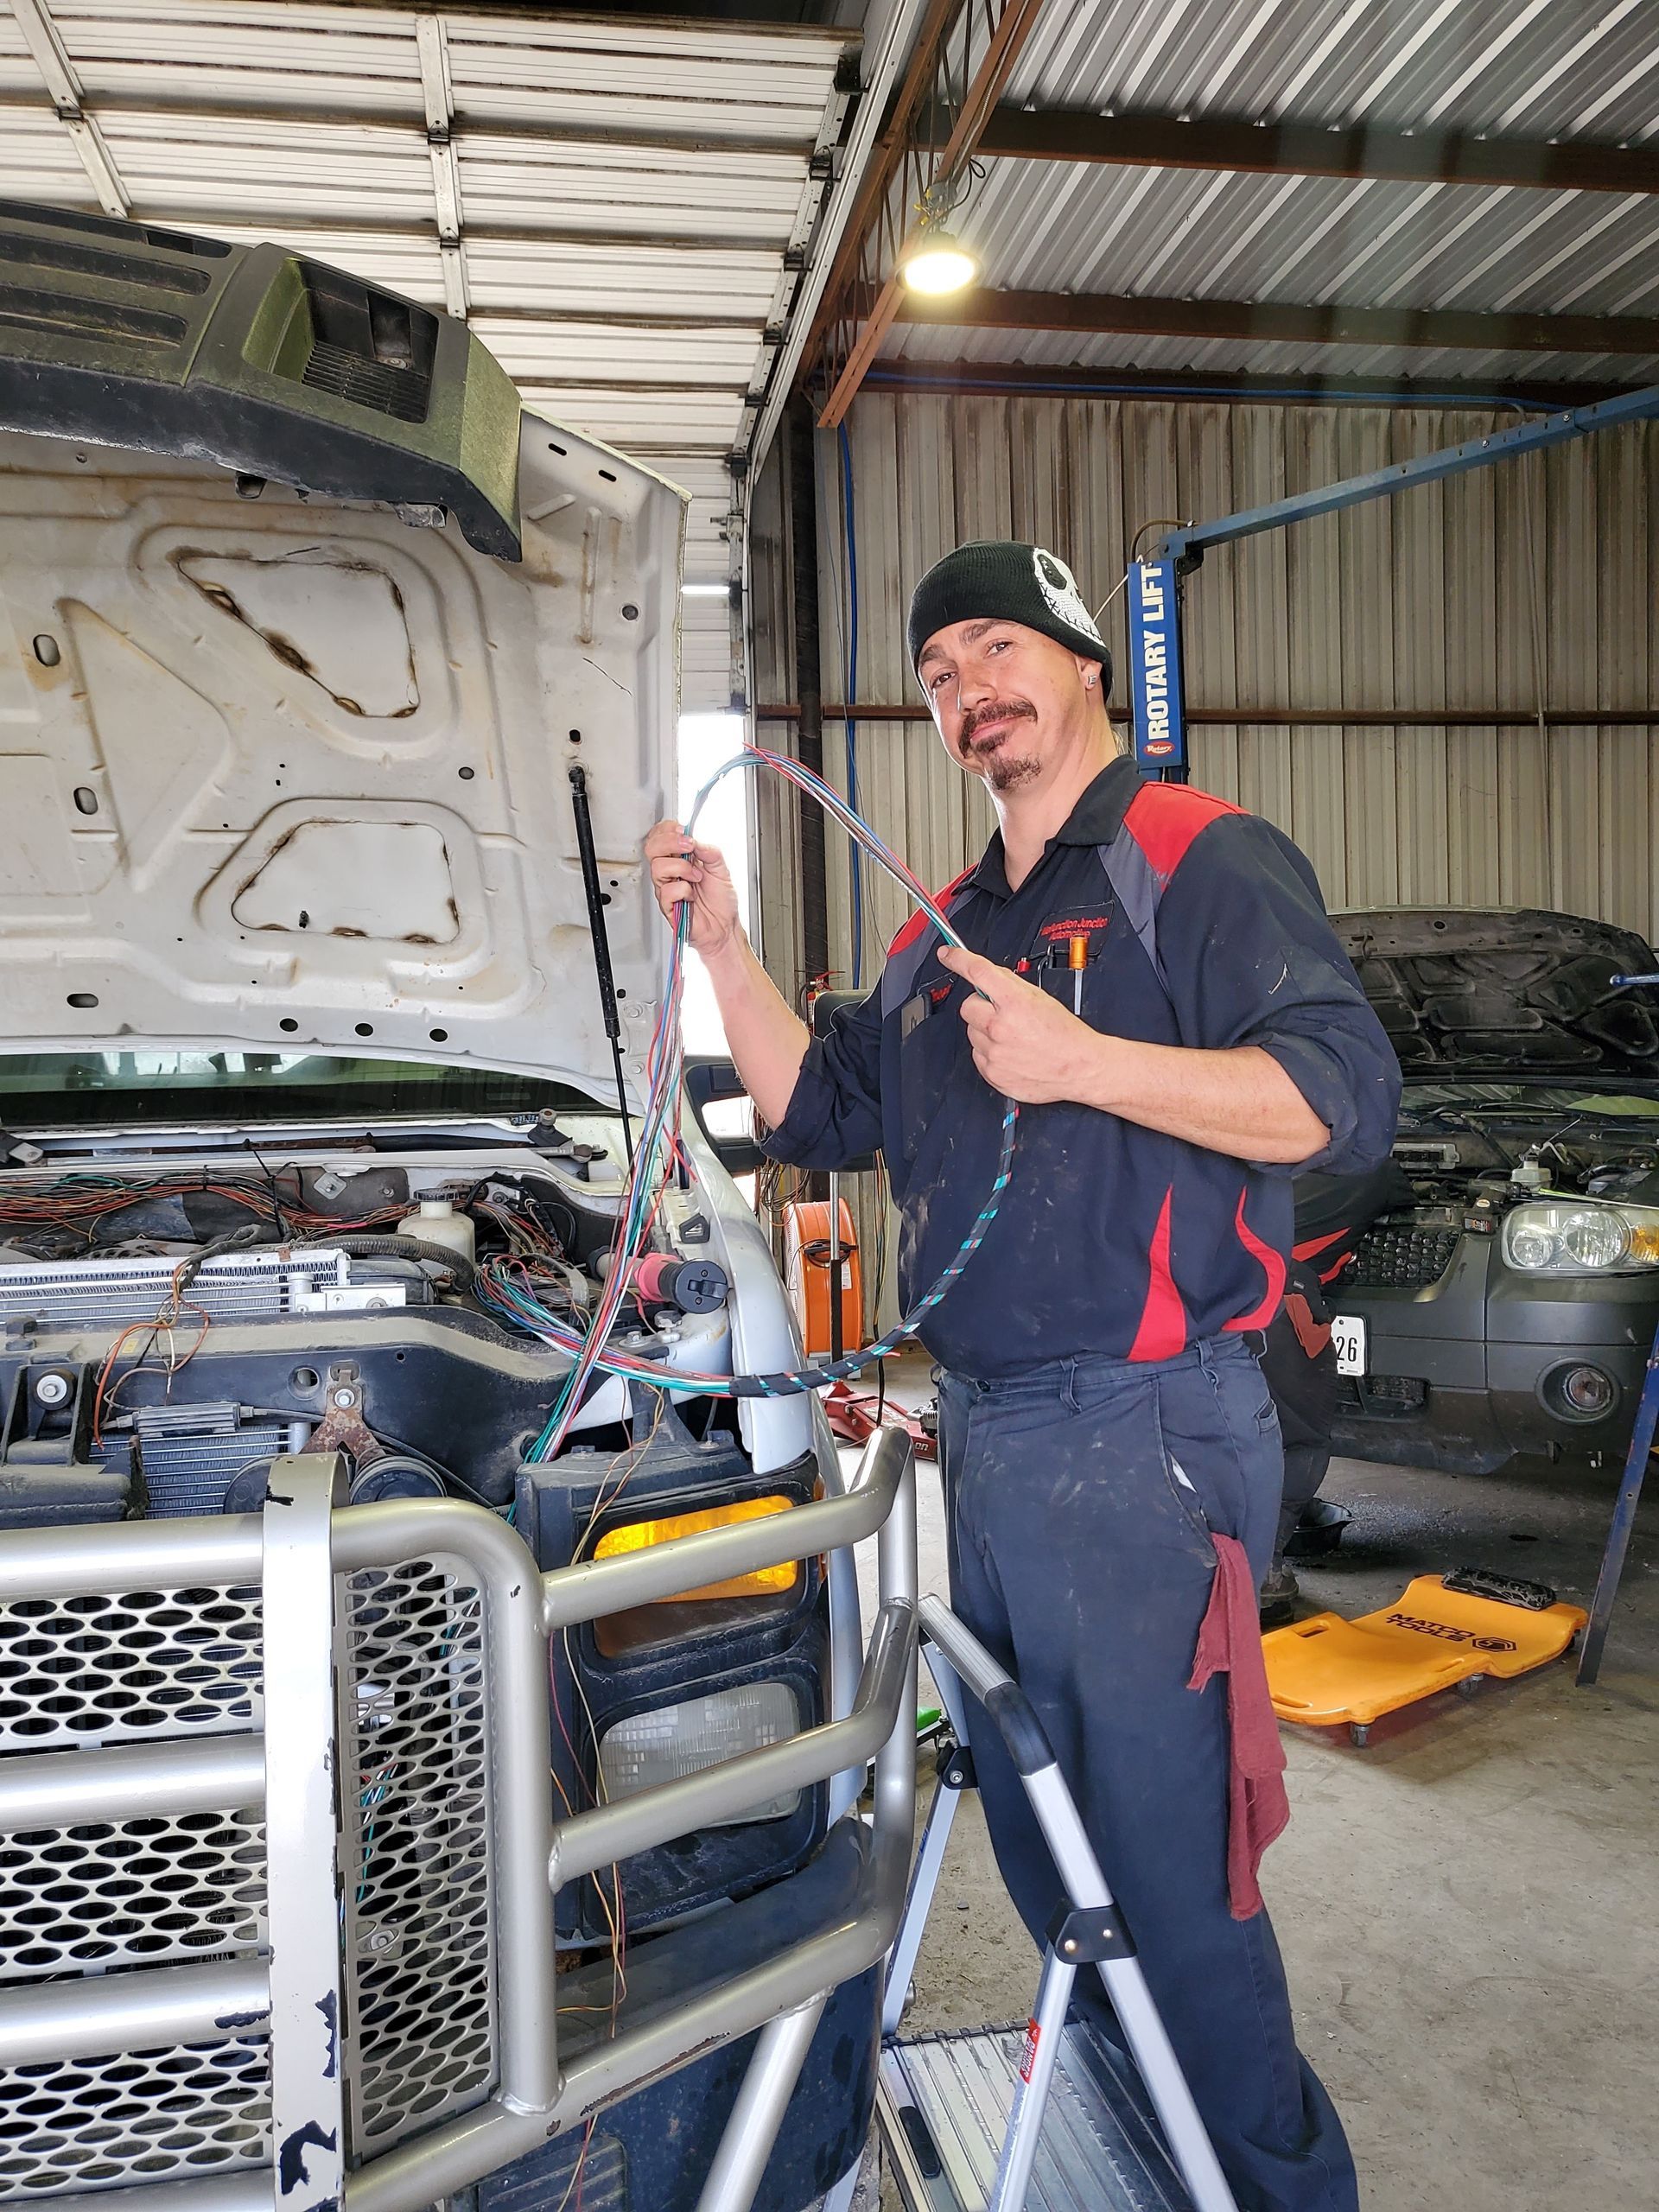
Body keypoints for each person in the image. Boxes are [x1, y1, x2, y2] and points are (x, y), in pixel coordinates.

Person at [646, 539, 1401, 2212]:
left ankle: (1279, 2189)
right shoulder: (946, 930)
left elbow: (1339, 1101)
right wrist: (725, 948)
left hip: (1146, 1438)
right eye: (937, 672)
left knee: (1177, 1877)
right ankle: (1146, 2149)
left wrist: (1086, 1063)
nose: (966, 690)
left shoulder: (1194, 857)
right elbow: (815, 1111)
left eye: (997, 647)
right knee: (1054, 1848)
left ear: (1081, 664)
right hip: (988, 1440)